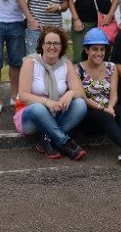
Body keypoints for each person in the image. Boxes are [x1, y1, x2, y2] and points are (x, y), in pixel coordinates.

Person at [13, 26, 88, 160]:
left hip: (56, 114)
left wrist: (69, 94)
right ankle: (66, 143)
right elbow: (23, 96)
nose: (52, 47)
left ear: (62, 46)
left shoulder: (66, 64)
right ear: (42, 45)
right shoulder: (30, 62)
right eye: (48, 43)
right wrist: (47, 102)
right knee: (38, 107)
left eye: (56, 43)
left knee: (80, 104)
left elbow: (80, 92)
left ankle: (47, 140)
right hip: (31, 117)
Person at [75, 28, 121, 166]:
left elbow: (113, 93)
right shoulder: (77, 69)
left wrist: (110, 107)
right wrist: (103, 108)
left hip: (108, 111)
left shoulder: (111, 67)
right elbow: (82, 97)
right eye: (94, 49)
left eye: (102, 49)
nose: (99, 53)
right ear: (86, 50)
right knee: (103, 115)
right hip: (89, 116)